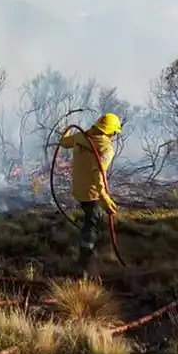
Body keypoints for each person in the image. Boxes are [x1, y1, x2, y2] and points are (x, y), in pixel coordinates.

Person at [59, 113, 122, 275]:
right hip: (92, 193)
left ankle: (90, 243)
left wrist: (65, 132)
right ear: (111, 132)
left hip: (78, 189)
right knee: (91, 224)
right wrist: (105, 198)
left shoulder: (81, 136)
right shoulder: (105, 147)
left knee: (92, 218)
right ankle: (84, 262)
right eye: (115, 133)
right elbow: (98, 174)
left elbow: (64, 143)